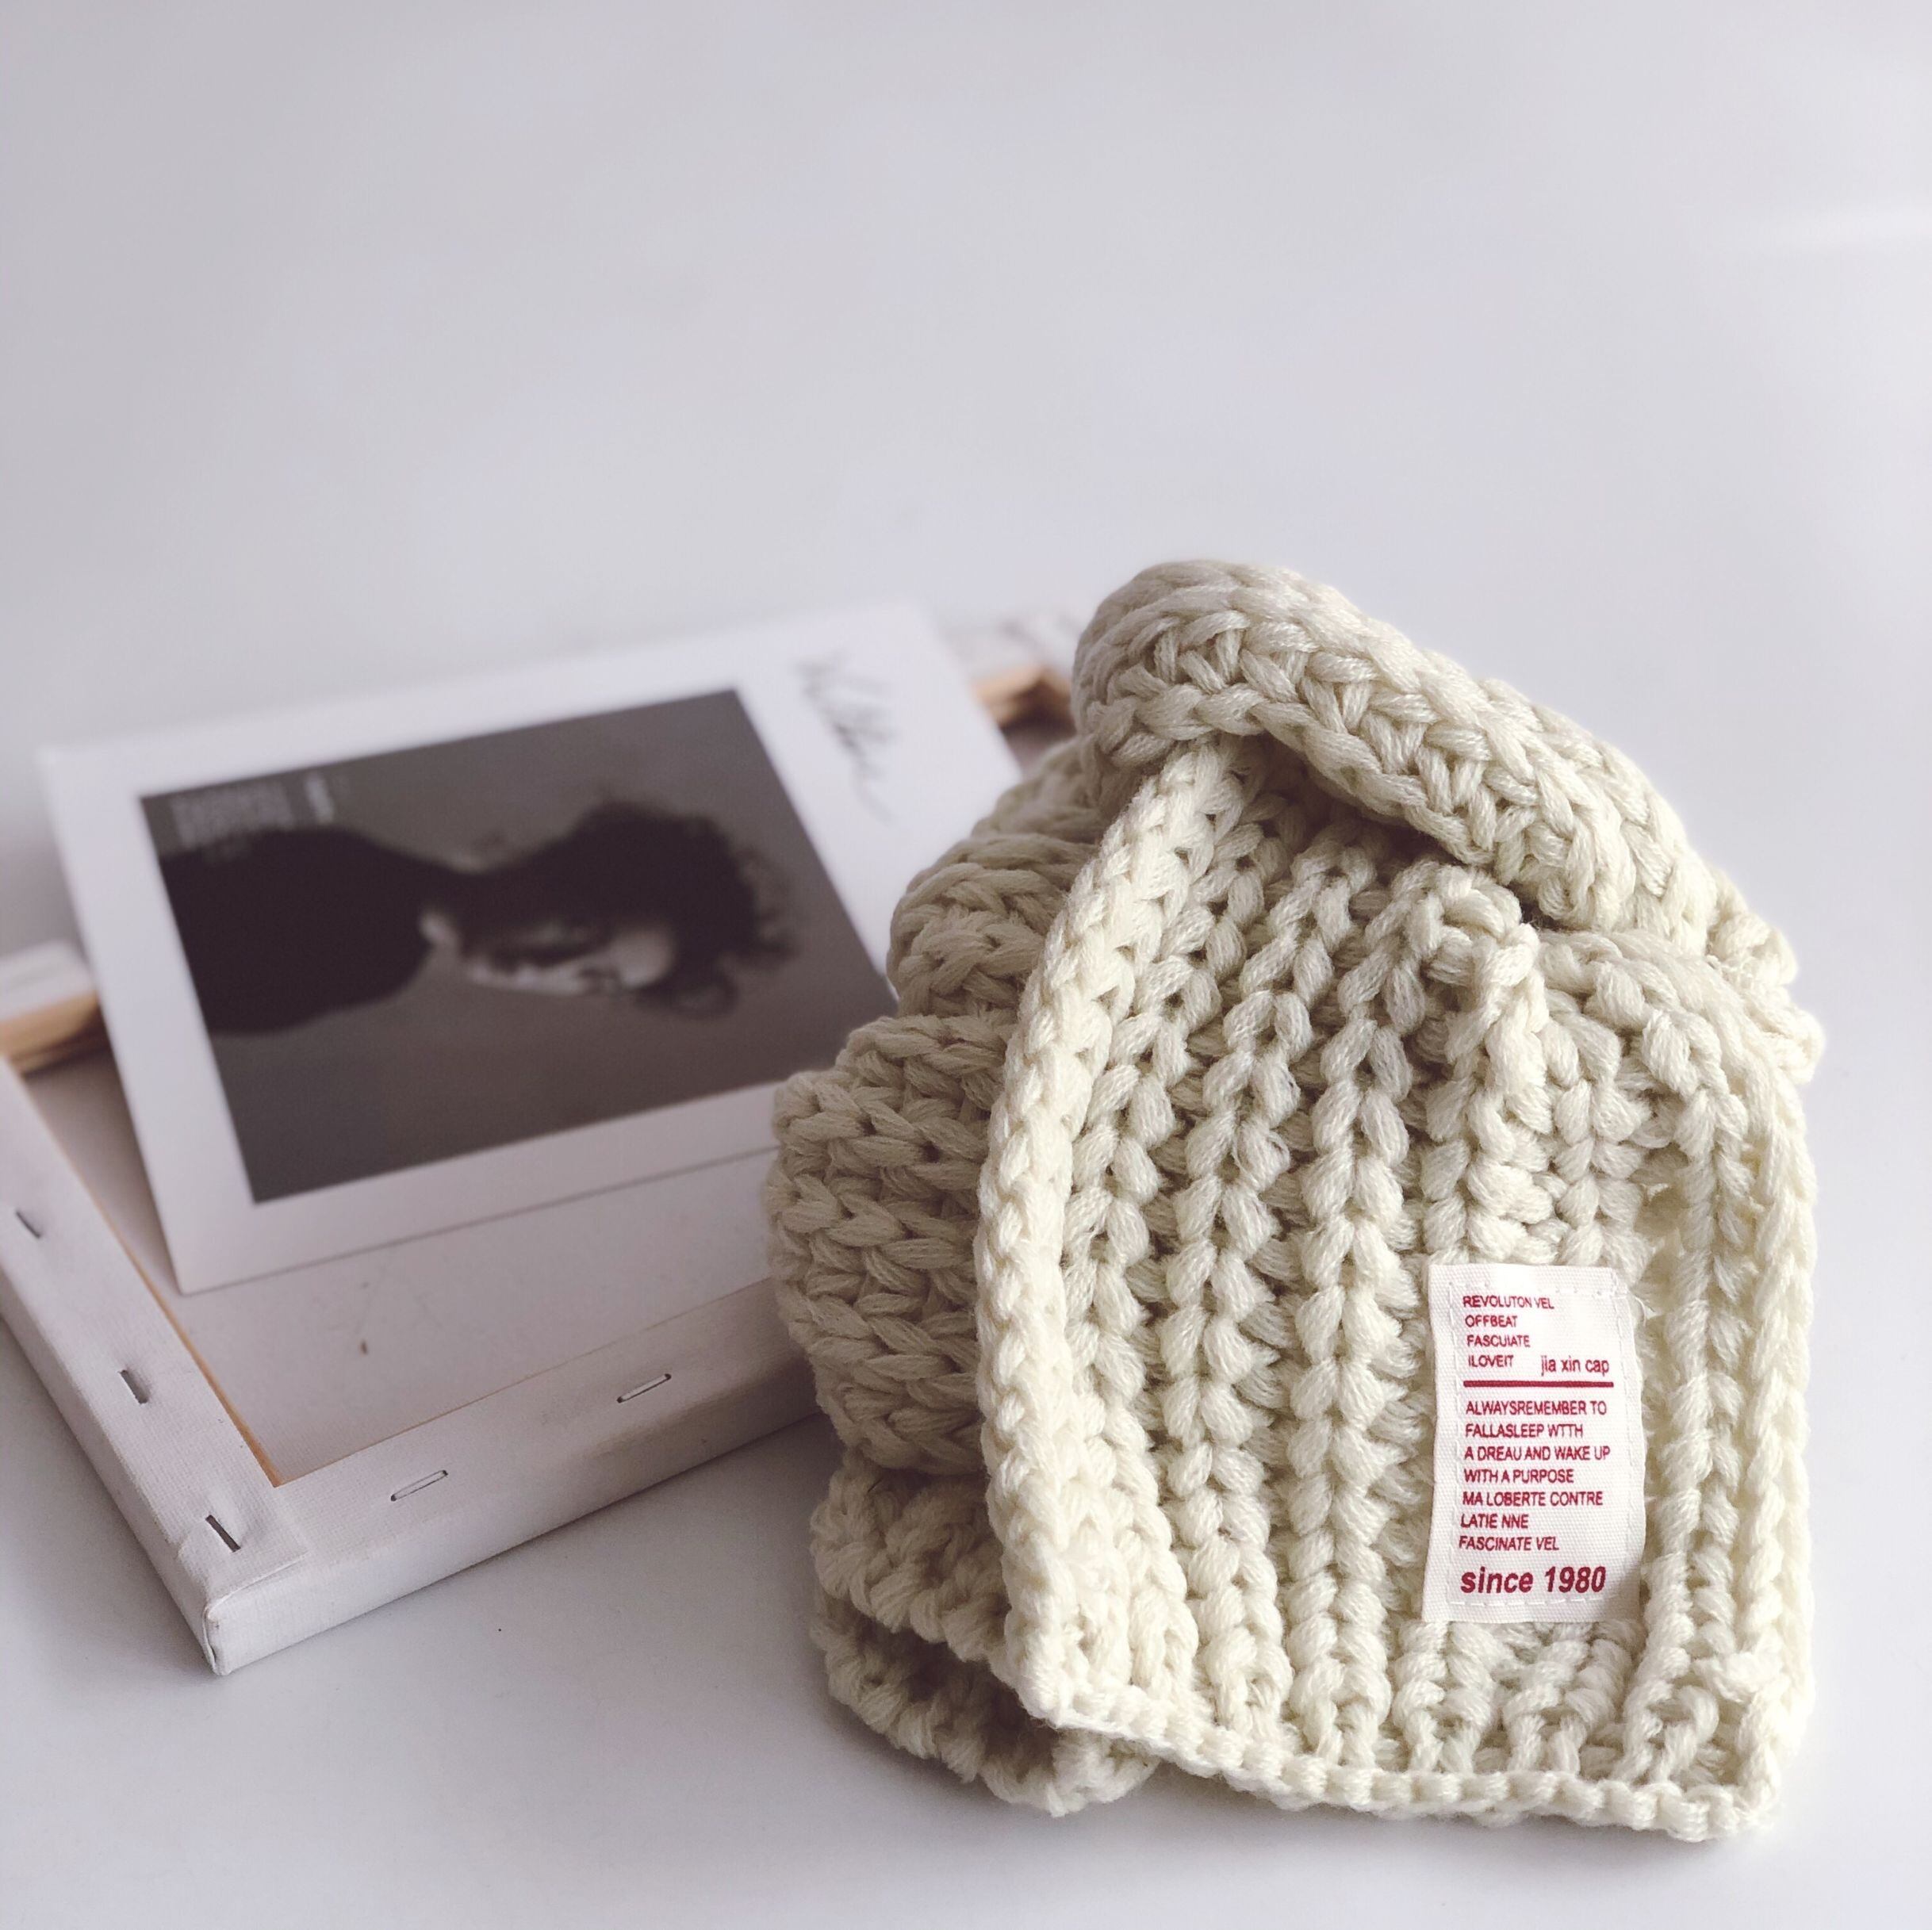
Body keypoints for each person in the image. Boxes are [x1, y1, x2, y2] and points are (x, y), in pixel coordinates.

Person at [156, 801, 790, 1035]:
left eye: (595, 979)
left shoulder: (388, 960)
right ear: (545, 869)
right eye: (579, 929)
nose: (549, 969)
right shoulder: (349, 887)